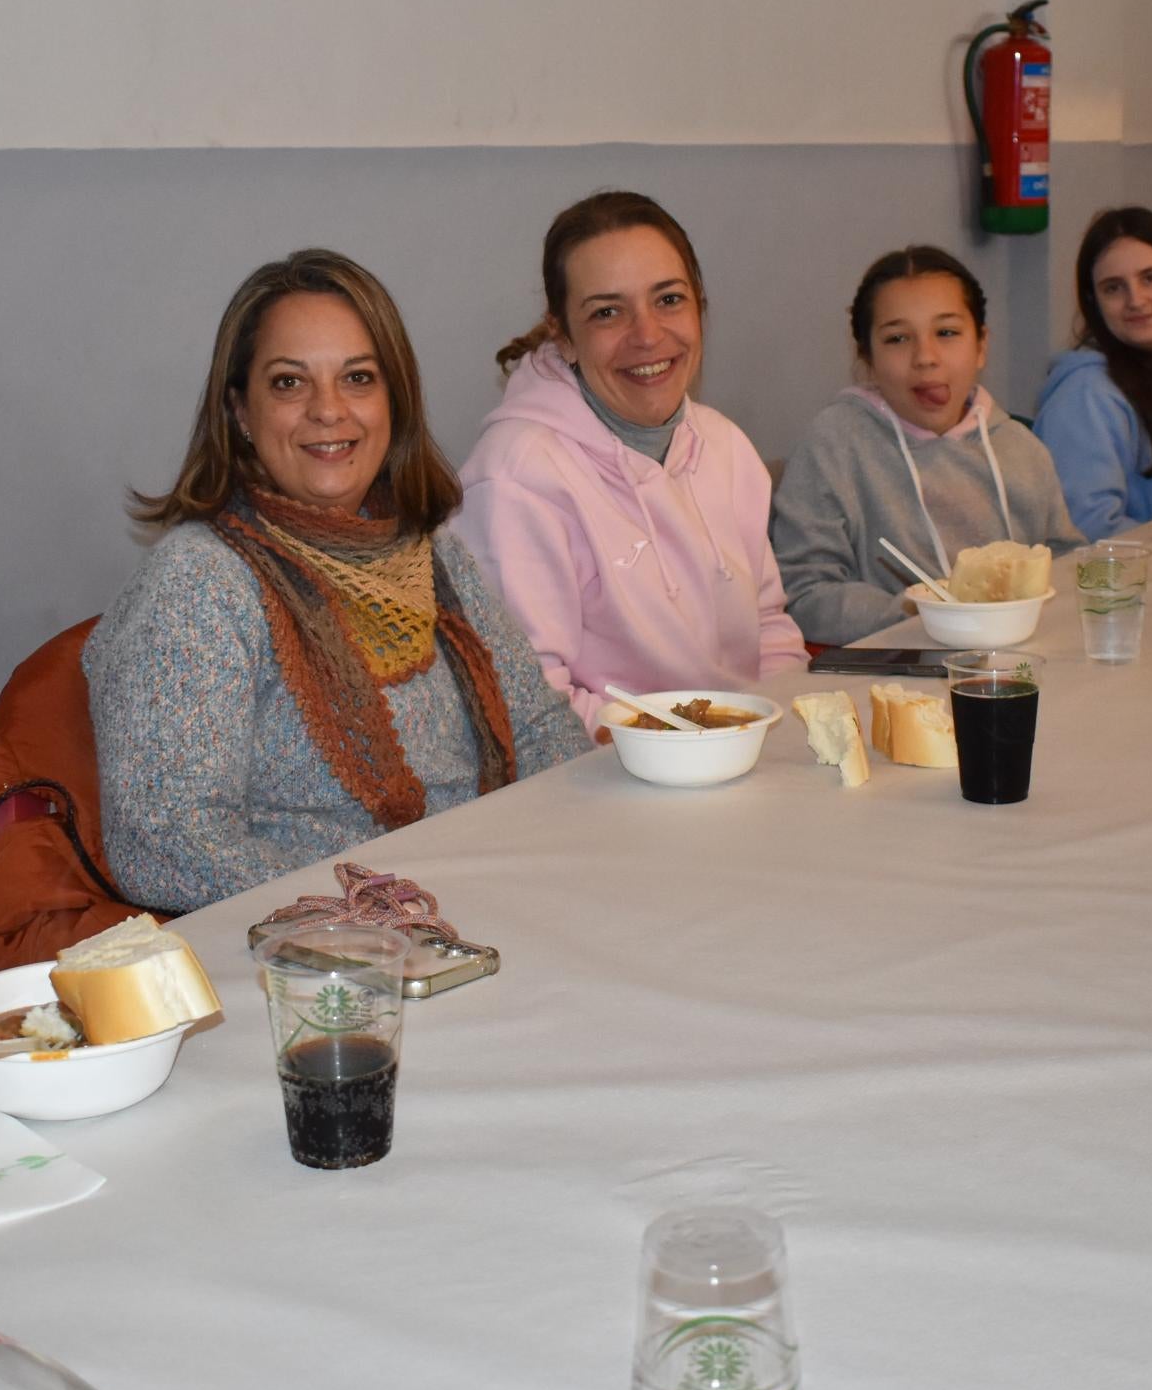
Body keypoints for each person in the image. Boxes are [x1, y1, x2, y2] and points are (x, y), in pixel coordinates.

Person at [86, 251, 585, 913]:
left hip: (485, 900)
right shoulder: (199, 582)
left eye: (358, 378)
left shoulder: (431, 554)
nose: (329, 410)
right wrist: (381, 900)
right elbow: (164, 844)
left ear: (394, 401)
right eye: (290, 384)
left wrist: (563, 851)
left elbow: (545, 730)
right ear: (239, 410)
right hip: (318, 954)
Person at [456, 191, 805, 730]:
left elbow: (770, 628)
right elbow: (530, 703)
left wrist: (781, 726)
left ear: (700, 308)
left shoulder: (726, 447)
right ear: (564, 336)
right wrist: (691, 742)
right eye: (607, 313)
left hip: (740, 759)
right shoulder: (514, 478)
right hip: (600, 787)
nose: (646, 335)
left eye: (668, 300)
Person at [768, 247, 1081, 644]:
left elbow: (1069, 564)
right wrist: (919, 613)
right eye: (898, 338)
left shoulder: (1020, 448)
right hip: (898, 673)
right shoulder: (834, 445)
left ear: (982, 344)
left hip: (1025, 659)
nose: (925, 358)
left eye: (947, 333)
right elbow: (804, 594)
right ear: (867, 357)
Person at [1032, 206, 1152, 539]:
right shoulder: (1086, 393)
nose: (1135, 300)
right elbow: (1089, 528)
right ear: (1094, 303)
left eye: (1150, 278)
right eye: (1113, 288)